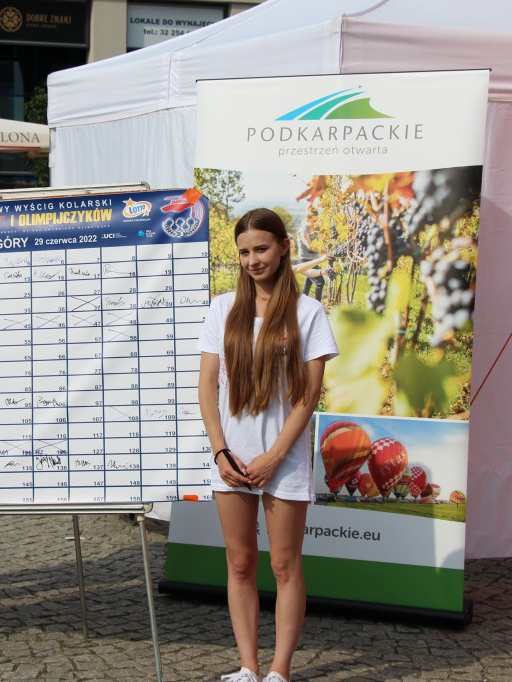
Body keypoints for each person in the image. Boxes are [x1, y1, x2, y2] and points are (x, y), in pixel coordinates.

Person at [197, 208, 338, 682]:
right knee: (239, 563)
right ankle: (248, 668)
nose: (252, 260)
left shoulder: (307, 312)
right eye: (244, 252)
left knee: (283, 565)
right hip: (231, 460)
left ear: (283, 249)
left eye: (261, 249)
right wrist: (220, 452)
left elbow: (308, 395)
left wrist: (275, 455)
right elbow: (207, 387)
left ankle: (279, 671)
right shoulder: (221, 308)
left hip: (284, 459)